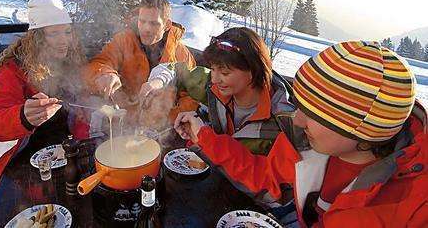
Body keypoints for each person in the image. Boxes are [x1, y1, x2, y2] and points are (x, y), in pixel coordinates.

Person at [175, 41, 427, 227]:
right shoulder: (307, 143)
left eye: (314, 113)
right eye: (301, 106)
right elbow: (264, 178)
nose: (297, 119)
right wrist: (204, 135)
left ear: (360, 128)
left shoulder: (412, 206)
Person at [140, 27, 297, 221]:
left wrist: (206, 138)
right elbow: (176, 70)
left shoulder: (287, 122)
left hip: (257, 213)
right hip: (215, 189)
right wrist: (156, 82)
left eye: (224, 72)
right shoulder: (214, 86)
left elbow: (273, 189)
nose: (214, 78)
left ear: (253, 71)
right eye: (213, 69)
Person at [0, 0, 89, 192]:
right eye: (53, 33)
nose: (64, 40)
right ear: (37, 37)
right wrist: (22, 117)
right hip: (22, 163)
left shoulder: (71, 59)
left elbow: (75, 107)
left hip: (63, 154)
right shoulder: (15, 69)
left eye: (67, 32)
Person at [83, 0, 197, 126]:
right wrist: (104, 73)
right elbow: (100, 62)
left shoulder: (180, 53)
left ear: (167, 25)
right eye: (142, 21)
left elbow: (191, 95)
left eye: (154, 23)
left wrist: (170, 119)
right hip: (125, 119)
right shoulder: (124, 41)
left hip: (164, 126)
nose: (146, 28)